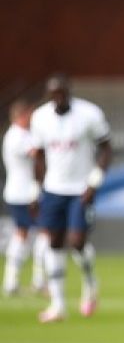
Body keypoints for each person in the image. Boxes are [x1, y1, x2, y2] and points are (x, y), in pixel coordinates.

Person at [29, 74, 112, 322]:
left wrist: (95, 181)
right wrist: (37, 189)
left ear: (69, 92)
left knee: (77, 240)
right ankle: (58, 304)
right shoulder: (40, 117)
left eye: (62, 92)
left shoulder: (89, 114)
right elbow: (39, 155)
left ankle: (90, 283)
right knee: (54, 242)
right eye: (54, 93)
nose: (58, 98)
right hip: (54, 188)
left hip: (81, 188)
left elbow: (106, 147)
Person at [3, 99, 47, 296]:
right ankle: (37, 280)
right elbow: (38, 153)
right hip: (25, 194)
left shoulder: (18, 135)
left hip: (20, 192)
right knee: (43, 232)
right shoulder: (16, 136)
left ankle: (12, 280)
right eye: (29, 115)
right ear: (21, 115)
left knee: (22, 233)